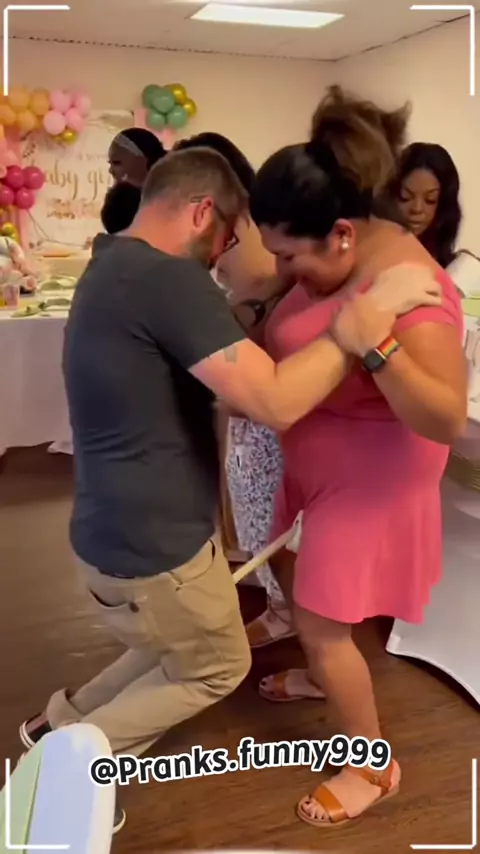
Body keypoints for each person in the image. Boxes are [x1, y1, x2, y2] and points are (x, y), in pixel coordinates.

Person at [19, 145, 442, 832]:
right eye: (229, 234)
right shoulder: (169, 281)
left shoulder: (109, 263)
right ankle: (65, 764)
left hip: (106, 532)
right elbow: (275, 402)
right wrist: (357, 328)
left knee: (171, 641)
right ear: (200, 212)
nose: (223, 255)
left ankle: (60, 720)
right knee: (216, 664)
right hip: (155, 541)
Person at [248, 86, 467, 827]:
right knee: (301, 591)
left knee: (321, 620)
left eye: (290, 256)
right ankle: (325, 678)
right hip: (319, 455)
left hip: (376, 471)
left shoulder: (414, 292)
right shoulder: (339, 238)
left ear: (341, 236)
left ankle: (373, 766)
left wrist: (374, 342)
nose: (284, 269)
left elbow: (442, 415)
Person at [176, 132, 294, 647]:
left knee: (269, 512)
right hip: (245, 394)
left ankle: (288, 611)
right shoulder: (222, 231)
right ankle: (276, 600)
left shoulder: (253, 230)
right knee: (250, 504)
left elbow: (262, 297)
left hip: (262, 392)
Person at [390, 142, 461, 268]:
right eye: (405, 197)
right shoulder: (373, 251)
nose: (417, 209)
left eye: (430, 200)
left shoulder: (451, 266)